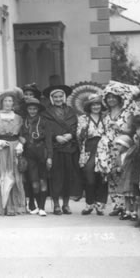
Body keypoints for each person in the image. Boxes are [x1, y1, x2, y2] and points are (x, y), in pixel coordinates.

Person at [42, 84, 80, 215]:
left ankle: (66, 204)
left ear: (64, 97)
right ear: (51, 98)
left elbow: (76, 126)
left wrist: (71, 135)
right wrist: (55, 136)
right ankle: (56, 205)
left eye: (60, 96)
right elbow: (45, 129)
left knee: (68, 177)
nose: (58, 99)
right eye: (55, 97)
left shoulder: (70, 111)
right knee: (56, 177)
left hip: (69, 148)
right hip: (55, 148)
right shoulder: (46, 113)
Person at [0, 88, 25, 216]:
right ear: (1, 102)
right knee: (2, 175)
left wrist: (21, 144)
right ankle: (2, 207)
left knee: (15, 175)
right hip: (1, 149)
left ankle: (16, 207)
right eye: (5, 101)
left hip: (15, 148)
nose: (8, 103)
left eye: (10, 101)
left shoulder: (19, 118)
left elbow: (22, 134)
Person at [19, 98, 52, 217]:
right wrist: (20, 139)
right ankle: (38, 206)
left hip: (42, 152)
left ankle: (42, 207)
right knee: (34, 182)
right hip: (29, 154)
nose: (32, 111)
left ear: (38, 109)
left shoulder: (44, 121)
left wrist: (50, 157)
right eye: (30, 108)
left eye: (34, 108)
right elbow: (19, 135)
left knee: (43, 180)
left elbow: (48, 140)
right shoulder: (23, 122)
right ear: (27, 109)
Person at [78, 94, 108, 216]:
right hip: (89, 148)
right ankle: (89, 203)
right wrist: (84, 131)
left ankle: (100, 205)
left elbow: (109, 132)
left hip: (103, 148)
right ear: (89, 106)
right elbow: (79, 136)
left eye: (98, 104)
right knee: (89, 177)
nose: (96, 107)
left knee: (102, 176)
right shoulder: (83, 118)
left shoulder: (106, 117)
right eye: (93, 104)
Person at [19, 83, 42, 212]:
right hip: (22, 146)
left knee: (35, 176)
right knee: (24, 175)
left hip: (35, 147)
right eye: (26, 94)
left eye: (30, 95)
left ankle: (36, 201)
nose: (27, 97)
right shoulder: (19, 110)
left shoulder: (37, 111)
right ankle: (27, 201)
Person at [111, 135, 134, 220]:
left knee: (132, 196)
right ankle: (127, 211)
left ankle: (133, 211)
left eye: (119, 144)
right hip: (123, 179)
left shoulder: (130, 155)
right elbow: (115, 166)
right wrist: (117, 169)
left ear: (125, 145)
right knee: (126, 196)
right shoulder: (118, 156)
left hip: (130, 178)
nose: (117, 146)